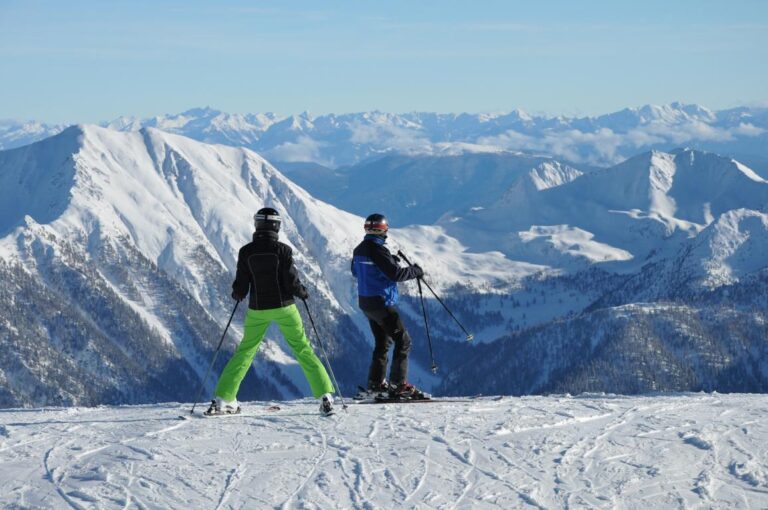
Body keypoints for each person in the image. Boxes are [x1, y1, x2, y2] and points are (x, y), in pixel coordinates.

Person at [206, 207, 335, 416]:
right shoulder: (283, 250)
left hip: (258, 310)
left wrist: (238, 294)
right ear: (277, 226)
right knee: (303, 349)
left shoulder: (246, 252)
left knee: (245, 352)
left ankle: (223, 399)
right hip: (286, 308)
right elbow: (292, 282)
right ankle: (325, 397)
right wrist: (303, 293)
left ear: (257, 225)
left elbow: (240, 287)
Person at [351, 213, 427, 399]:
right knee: (403, 340)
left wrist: (388, 260)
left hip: (366, 303)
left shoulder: (359, 249)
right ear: (384, 230)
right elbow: (395, 275)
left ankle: (376, 384)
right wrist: (415, 271)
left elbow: (356, 271)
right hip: (381, 302)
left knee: (382, 343)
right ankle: (398, 384)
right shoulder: (378, 250)